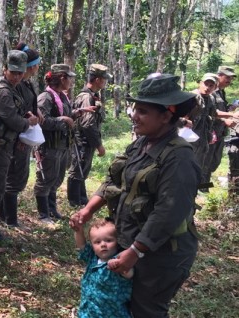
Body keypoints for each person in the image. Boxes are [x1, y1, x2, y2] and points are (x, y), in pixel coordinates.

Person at [70, 74, 200, 317]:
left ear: (166, 116)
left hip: (161, 253)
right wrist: (88, 210)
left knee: (146, 309)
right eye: (135, 108)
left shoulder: (179, 157)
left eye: (143, 111)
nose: (134, 115)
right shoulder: (141, 144)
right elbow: (113, 181)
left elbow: (168, 213)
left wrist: (136, 251)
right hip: (131, 244)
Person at [0, 50, 39, 241]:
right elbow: (15, 121)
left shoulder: (13, 90)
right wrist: (29, 121)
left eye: (20, 73)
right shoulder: (2, 92)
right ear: (5, 70)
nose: (17, 76)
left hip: (6, 145)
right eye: (13, 72)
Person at [0, 43, 42, 229]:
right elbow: (14, 115)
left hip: (24, 136)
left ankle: (7, 217)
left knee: (18, 177)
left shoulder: (25, 84)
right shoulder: (12, 88)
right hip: (16, 139)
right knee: (13, 179)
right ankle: (10, 219)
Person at [34, 64, 78, 224]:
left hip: (62, 145)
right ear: (62, 78)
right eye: (69, 78)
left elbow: (66, 114)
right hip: (49, 146)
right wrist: (62, 120)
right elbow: (41, 121)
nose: (71, 81)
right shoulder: (46, 97)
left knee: (56, 178)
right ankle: (43, 214)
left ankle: (52, 209)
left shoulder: (62, 96)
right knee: (45, 179)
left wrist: (76, 114)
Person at [67, 64, 111, 207]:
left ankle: (81, 199)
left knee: (82, 171)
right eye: (104, 79)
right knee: (77, 170)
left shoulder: (93, 96)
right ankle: (74, 202)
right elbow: (87, 124)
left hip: (86, 141)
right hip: (82, 141)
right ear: (97, 79)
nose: (105, 82)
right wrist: (99, 145)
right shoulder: (86, 97)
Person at [73, 218, 132, 318]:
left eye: (109, 240)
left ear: (118, 242)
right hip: (88, 312)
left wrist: (119, 264)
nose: (103, 244)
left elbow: (130, 272)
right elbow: (81, 245)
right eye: (97, 242)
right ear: (92, 245)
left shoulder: (120, 260)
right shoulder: (92, 258)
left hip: (113, 314)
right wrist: (78, 230)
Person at [183, 73, 218, 190]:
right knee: (186, 165)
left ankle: (195, 190)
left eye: (211, 85)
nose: (207, 87)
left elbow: (212, 115)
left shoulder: (211, 98)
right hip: (189, 138)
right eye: (205, 84)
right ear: (200, 83)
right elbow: (181, 115)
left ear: (214, 87)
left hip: (203, 139)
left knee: (199, 166)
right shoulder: (192, 97)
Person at [208, 67, 238, 191]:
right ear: (219, 76)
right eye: (227, 77)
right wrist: (227, 118)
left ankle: (205, 186)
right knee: (206, 163)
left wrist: (230, 108)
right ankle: (202, 188)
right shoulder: (211, 91)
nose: (229, 81)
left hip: (220, 133)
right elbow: (210, 113)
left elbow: (221, 110)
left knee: (215, 162)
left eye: (231, 78)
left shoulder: (221, 92)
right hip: (211, 134)